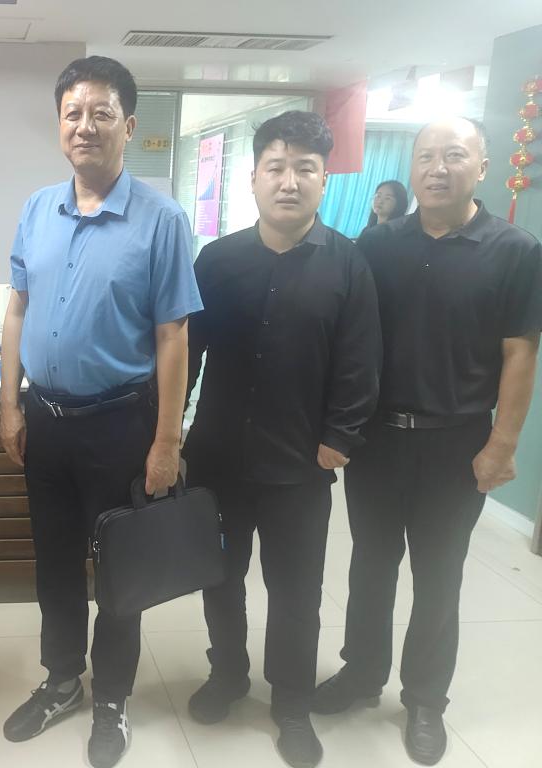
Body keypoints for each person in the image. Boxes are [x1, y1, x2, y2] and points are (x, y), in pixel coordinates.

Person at [314, 117, 542, 766]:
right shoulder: (377, 244)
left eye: (454, 155)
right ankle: (362, 674)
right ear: (411, 168)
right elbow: (351, 342)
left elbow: (521, 353)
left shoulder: (514, 250)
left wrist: (502, 444)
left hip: (457, 444)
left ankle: (424, 699)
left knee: (439, 577)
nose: (438, 168)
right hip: (378, 441)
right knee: (370, 566)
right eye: (427, 156)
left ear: (483, 167)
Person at [0, 56, 201, 768]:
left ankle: (111, 695)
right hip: (47, 422)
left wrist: (166, 441)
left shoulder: (162, 220)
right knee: (54, 563)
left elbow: (173, 336)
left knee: (120, 570)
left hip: (121, 426)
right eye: (73, 114)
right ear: (60, 124)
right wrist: (11, 405)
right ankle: (62, 680)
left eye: (101, 113)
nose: (85, 126)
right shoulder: (37, 208)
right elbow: (17, 308)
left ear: (129, 126)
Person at [181, 111, 382, 768]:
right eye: (276, 167)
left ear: (324, 179)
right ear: (254, 178)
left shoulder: (348, 264)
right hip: (218, 458)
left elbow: (361, 361)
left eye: (305, 169)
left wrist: (340, 438)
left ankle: (291, 700)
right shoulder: (217, 261)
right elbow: (186, 354)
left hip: (301, 464)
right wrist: (166, 433)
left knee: (296, 591)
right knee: (220, 577)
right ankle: (228, 673)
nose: (289, 181)